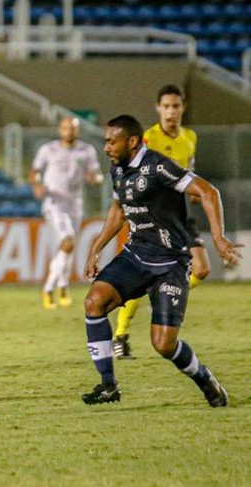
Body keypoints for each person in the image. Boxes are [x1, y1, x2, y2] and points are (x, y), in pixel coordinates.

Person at [80, 115, 242, 407]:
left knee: (163, 344)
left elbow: (207, 191)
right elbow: (118, 210)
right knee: (94, 301)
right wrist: (96, 248)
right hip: (136, 255)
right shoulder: (118, 167)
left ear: (131, 141)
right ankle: (108, 385)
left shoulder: (158, 166)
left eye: (111, 141)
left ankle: (203, 377)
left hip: (171, 263)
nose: (106, 148)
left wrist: (218, 238)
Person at [114, 84, 205, 359]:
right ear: (158, 108)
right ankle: (120, 334)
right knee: (145, 274)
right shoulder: (148, 138)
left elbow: (189, 169)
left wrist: (196, 190)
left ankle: (163, 292)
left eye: (175, 106)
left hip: (182, 216)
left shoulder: (190, 137)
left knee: (201, 269)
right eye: (166, 106)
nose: (171, 112)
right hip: (154, 218)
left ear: (182, 108)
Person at [29, 117, 103, 310]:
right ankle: (48, 288)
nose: (69, 131)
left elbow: (94, 173)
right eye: (65, 128)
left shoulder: (86, 150)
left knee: (67, 247)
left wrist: (95, 178)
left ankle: (62, 287)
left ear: (77, 130)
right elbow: (35, 171)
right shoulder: (48, 149)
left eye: (72, 128)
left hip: (75, 204)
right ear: (60, 130)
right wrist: (37, 184)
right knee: (68, 241)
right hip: (54, 202)